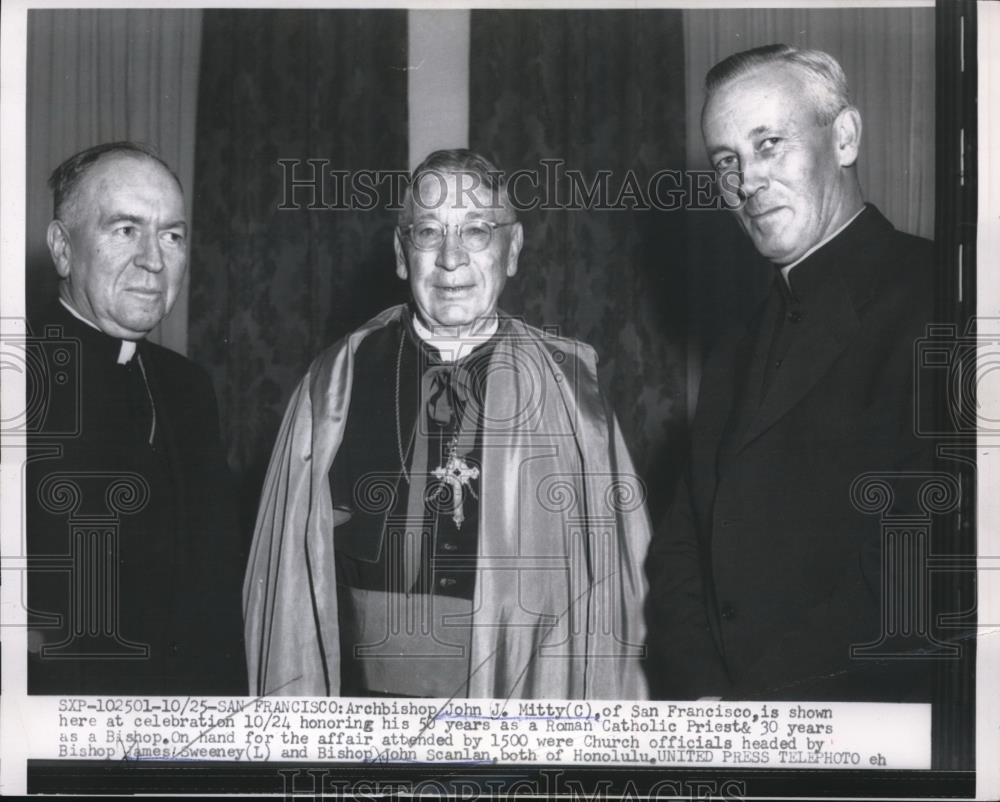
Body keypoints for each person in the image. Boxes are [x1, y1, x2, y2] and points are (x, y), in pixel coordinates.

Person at [244, 149, 651, 699]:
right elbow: (287, 584)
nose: (451, 260)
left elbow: (615, 595)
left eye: (477, 231)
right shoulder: (334, 382)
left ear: (513, 250)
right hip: (362, 715)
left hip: (520, 702)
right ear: (400, 252)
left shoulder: (570, 391)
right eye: (430, 232)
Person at [646, 45, 936, 701]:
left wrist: (762, 702)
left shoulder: (946, 297)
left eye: (769, 144)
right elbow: (681, 550)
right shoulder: (736, 347)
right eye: (728, 162)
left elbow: (929, 562)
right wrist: (706, 695)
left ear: (844, 137)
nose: (746, 183)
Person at [26, 142, 246, 695]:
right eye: (125, 229)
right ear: (62, 248)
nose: (154, 259)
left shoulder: (187, 387)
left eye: (171, 235)